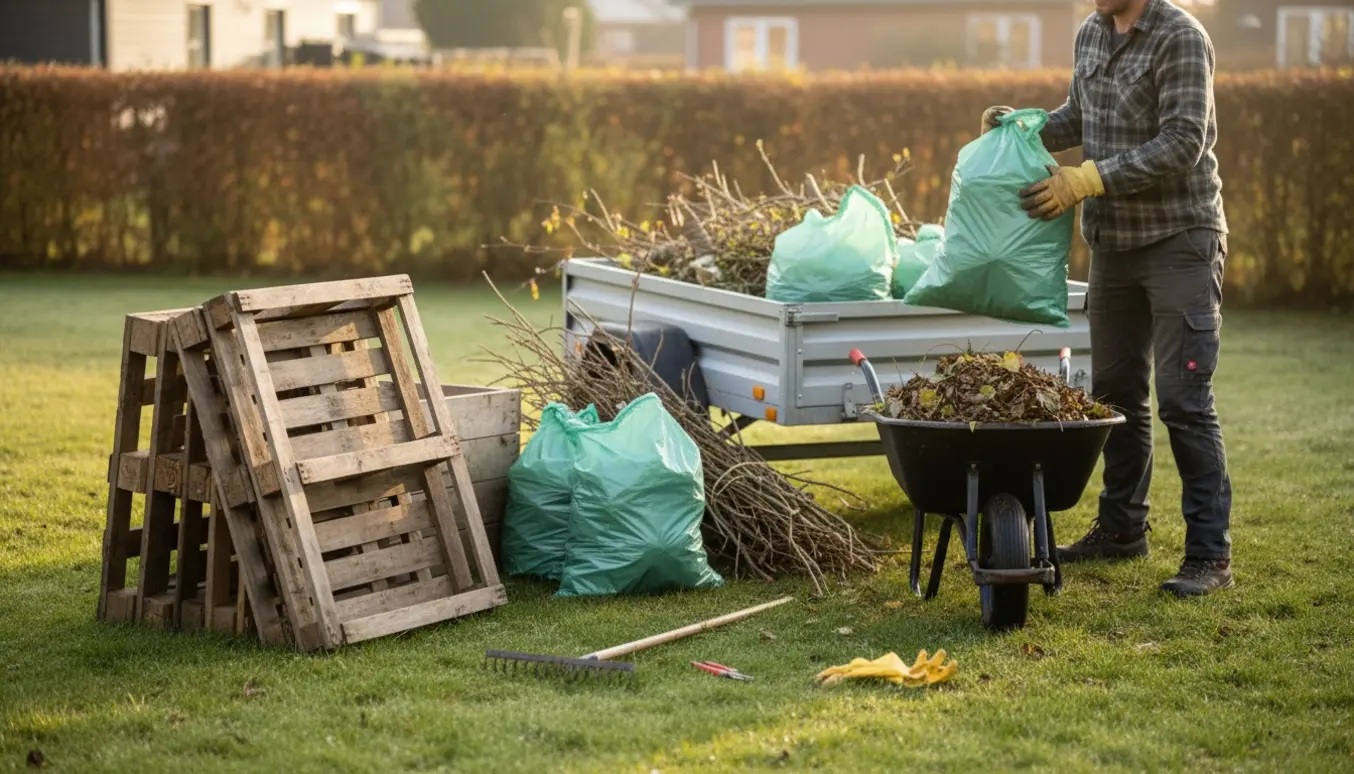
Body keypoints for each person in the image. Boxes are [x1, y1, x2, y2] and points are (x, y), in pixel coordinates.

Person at [980, 0, 1233, 598]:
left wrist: (1088, 179)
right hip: (1114, 245)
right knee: (1116, 395)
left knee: (1183, 399)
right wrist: (1026, 128)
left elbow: (1183, 141)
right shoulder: (1092, 31)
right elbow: (1081, 116)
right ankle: (1121, 531)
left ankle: (1209, 555)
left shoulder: (1179, 36)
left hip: (1180, 238)